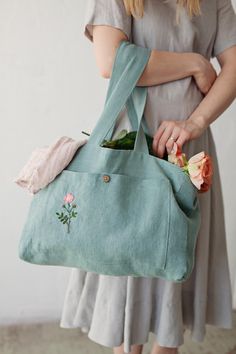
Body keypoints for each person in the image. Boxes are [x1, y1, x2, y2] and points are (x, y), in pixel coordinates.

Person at [60, 1, 236, 353]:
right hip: (133, 149)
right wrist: (195, 62)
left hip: (186, 151)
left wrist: (196, 122)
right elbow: (111, 61)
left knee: (175, 266)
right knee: (128, 274)